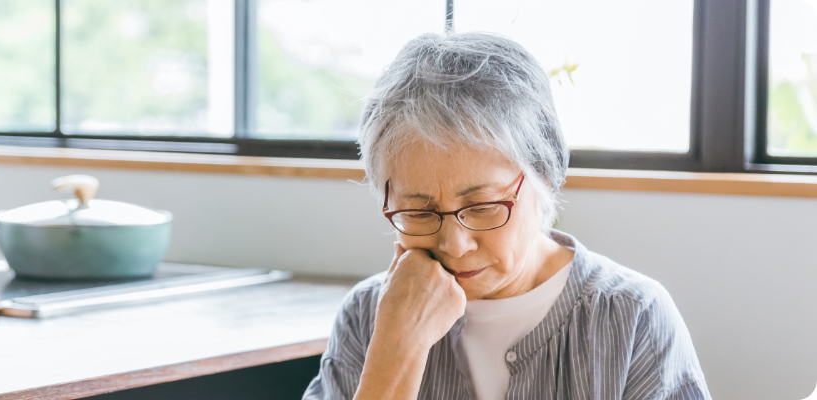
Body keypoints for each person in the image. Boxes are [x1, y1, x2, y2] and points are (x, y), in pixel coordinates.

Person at [302, 32, 711, 400]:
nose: (455, 244)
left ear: (545, 174)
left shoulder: (631, 315)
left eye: (482, 207)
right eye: (419, 211)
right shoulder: (368, 313)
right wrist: (396, 353)